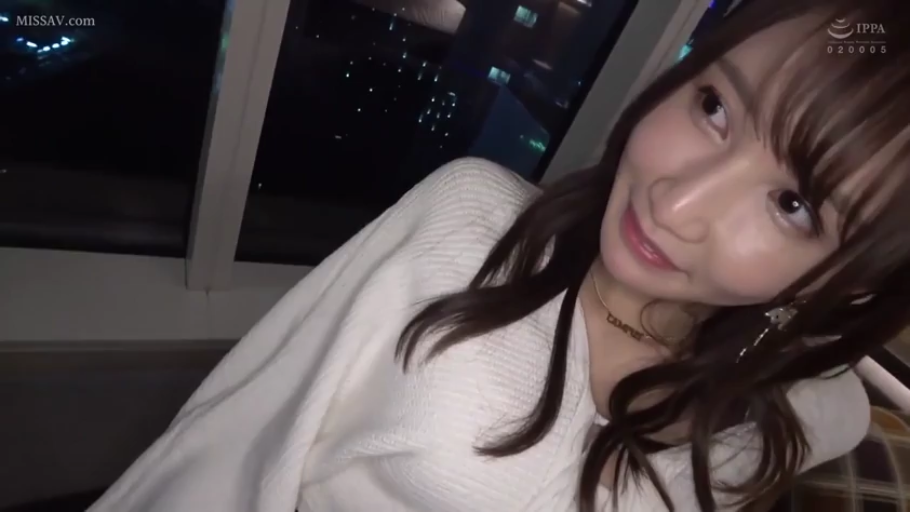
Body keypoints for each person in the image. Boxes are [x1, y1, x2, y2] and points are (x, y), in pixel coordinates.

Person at [89, 0, 910, 510]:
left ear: (846, 280)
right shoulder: (468, 227)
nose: (677, 202)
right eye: (714, 107)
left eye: (793, 205)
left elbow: (834, 407)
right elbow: (230, 452)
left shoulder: (788, 417)